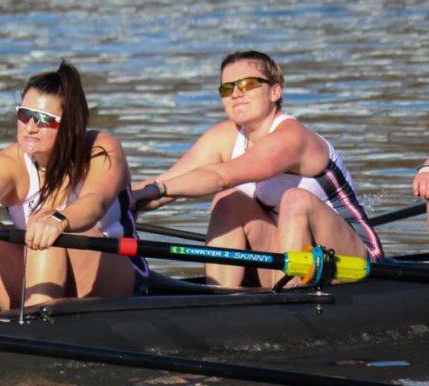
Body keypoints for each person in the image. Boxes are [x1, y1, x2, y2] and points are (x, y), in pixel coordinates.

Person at [134, 51, 382, 287]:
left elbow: (220, 177)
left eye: (248, 84)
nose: (236, 94)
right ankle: (219, 297)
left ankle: (286, 300)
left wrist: (157, 189)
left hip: (353, 259)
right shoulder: (223, 137)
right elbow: (163, 185)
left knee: (295, 200)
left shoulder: (291, 137)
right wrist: (114, 201)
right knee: (228, 200)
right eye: (227, 88)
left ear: (275, 91)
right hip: (289, 255)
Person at [0, 61, 147, 314]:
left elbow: (94, 202)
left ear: (70, 124)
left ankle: (35, 328)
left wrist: (58, 220)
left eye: (43, 119)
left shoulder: (101, 150)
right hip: (40, 273)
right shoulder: (8, 162)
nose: (30, 127)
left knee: (48, 225)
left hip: (115, 279)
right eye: (25, 115)